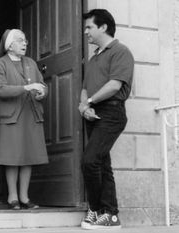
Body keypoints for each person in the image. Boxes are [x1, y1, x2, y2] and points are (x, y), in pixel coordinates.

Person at [79, 9, 134, 229]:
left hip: (111, 112)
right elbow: (84, 88)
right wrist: (84, 107)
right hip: (92, 112)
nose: (85, 32)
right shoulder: (93, 58)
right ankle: (109, 215)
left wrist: (89, 101)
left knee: (90, 161)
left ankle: (97, 209)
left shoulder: (121, 51)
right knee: (102, 164)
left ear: (103, 27)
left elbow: (114, 85)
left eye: (89, 27)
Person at [0, 29, 48, 210]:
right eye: (20, 41)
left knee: (28, 156)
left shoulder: (30, 62)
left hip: (31, 114)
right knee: (12, 157)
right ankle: (12, 197)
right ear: (9, 45)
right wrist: (26, 87)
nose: (25, 44)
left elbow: (42, 85)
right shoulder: (1, 64)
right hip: (12, 117)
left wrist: (42, 93)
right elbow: (0, 89)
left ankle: (24, 197)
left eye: (25, 41)